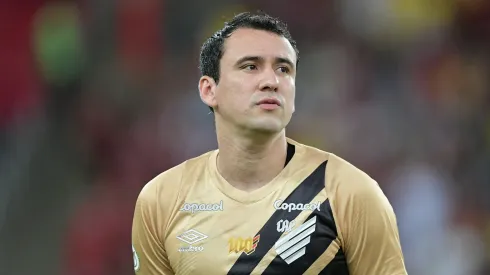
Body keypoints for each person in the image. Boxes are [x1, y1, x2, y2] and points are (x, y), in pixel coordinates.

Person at [132, 11, 407, 275]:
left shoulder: (350, 193)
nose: (271, 81)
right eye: (251, 66)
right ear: (209, 90)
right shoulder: (162, 200)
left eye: (283, 69)